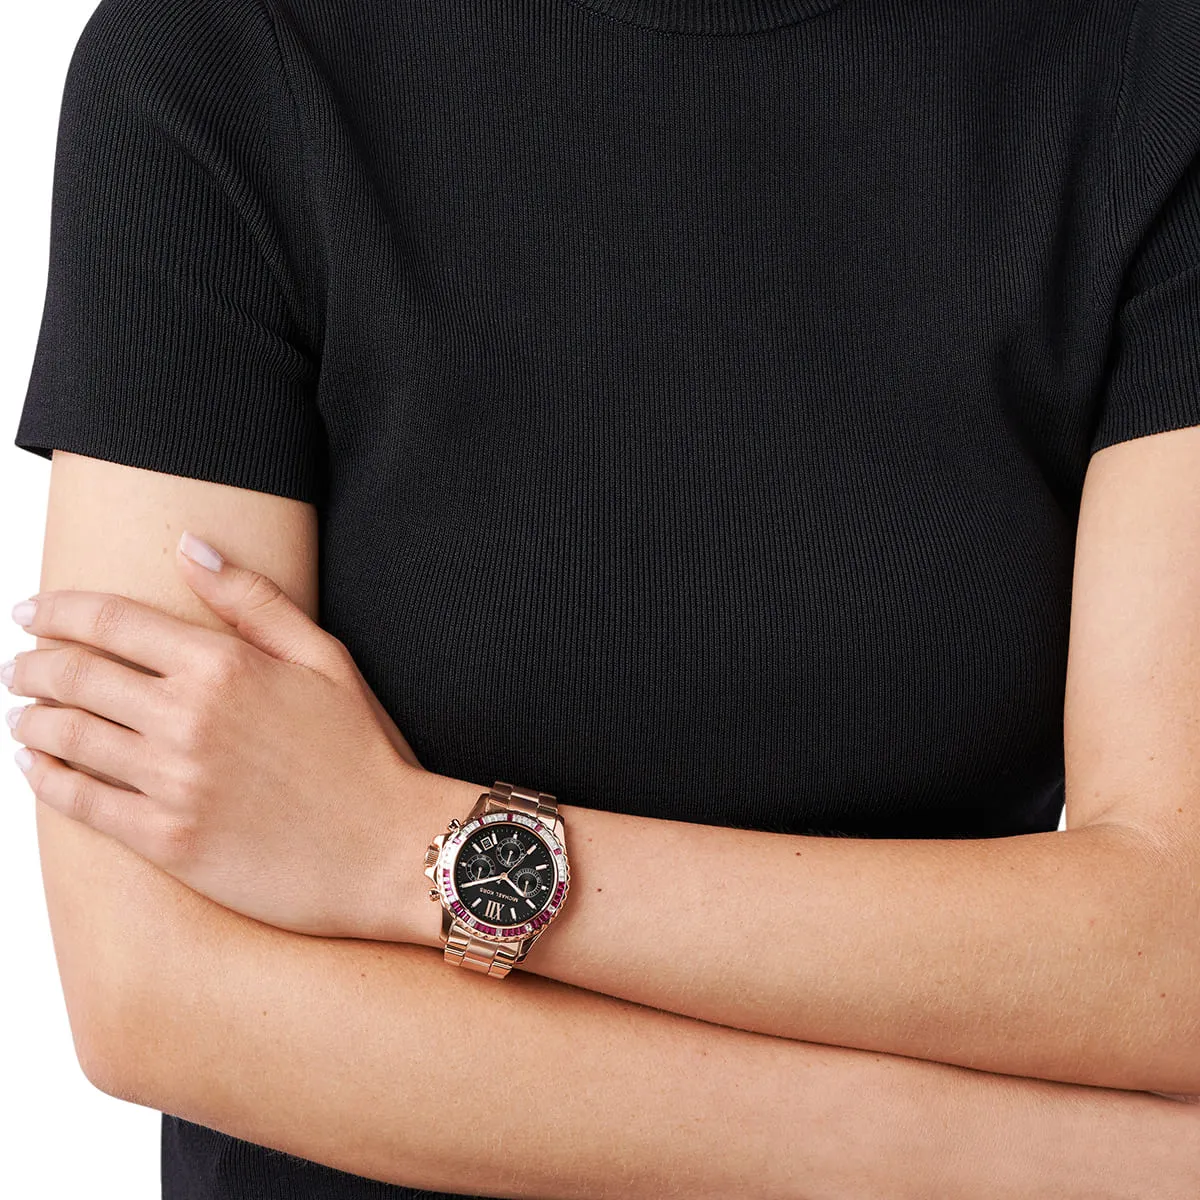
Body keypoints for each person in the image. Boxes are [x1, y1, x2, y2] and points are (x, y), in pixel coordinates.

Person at [8, 0, 1200, 1196]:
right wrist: (1047, 1160)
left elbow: (1172, 947)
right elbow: (156, 989)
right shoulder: (218, 53)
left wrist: (394, 848)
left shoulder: (1150, 67)